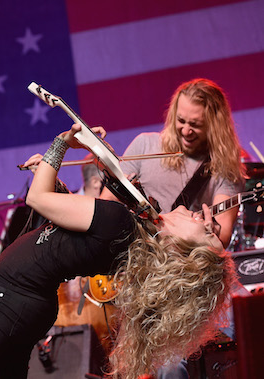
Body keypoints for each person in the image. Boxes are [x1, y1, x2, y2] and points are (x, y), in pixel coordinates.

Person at [0, 123, 237, 379]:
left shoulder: (121, 224)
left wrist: (61, 144)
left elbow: (38, 199)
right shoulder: (132, 238)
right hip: (22, 305)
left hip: (7, 304)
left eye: (205, 231)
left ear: (180, 248)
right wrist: (50, 172)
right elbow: (70, 226)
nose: (202, 217)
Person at [101, 78, 245, 377]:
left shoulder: (222, 164)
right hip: (152, 274)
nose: (186, 130)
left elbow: (224, 234)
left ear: (215, 126)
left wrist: (206, 228)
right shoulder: (145, 145)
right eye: (181, 120)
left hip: (195, 276)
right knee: (169, 362)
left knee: (245, 325)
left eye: (196, 124)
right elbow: (105, 207)